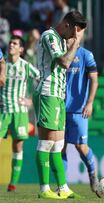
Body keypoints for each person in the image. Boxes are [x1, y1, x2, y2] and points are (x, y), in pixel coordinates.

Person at [33, 11, 86, 199]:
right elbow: (64, 62)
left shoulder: (62, 40)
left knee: (58, 145)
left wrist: (71, 43)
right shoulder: (50, 36)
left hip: (58, 95)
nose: (74, 37)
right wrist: (76, 44)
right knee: (47, 143)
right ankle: (44, 189)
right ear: (66, 25)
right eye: (74, 32)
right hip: (47, 93)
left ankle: (62, 188)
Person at [0, 35, 40, 192]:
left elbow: (42, 79)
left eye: (15, 43)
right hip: (3, 111)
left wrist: (31, 100)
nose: (11, 45)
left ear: (21, 49)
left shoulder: (26, 66)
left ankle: (13, 184)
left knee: (17, 146)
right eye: (10, 42)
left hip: (20, 112)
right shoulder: (2, 64)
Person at [61, 45, 99, 192]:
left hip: (78, 109)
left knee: (80, 147)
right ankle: (62, 185)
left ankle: (92, 173)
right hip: (59, 107)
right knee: (60, 148)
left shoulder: (86, 55)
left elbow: (94, 80)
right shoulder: (59, 53)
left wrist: (89, 103)